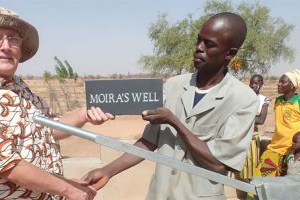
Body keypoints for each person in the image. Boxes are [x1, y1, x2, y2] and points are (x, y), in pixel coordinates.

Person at [0, 5, 114, 200]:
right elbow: (2, 163)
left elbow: (48, 130)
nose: (6, 46)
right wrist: (69, 189)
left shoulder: (20, 88)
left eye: (13, 39)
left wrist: (83, 114)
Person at [84, 12, 259, 200]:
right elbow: (149, 141)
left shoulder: (243, 99)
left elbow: (218, 164)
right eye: (198, 40)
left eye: (209, 44)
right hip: (159, 195)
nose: (198, 48)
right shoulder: (174, 85)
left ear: (230, 53)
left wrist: (175, 122)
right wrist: (108, 171)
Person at [254, 69, 300, 178]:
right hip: (275, 147)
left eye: (283, 82)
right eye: (279, 81)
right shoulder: (278, 100)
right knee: (259, 178)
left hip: (292, 149)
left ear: (292, 86)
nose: (278, 84)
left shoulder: (298, 101)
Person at [239, 74, 270, 179]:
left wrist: (244, 118)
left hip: (252, 135)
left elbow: (261, 120)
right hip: (239, 134)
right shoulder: (242, 98)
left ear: (261, 84)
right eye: (251, 83)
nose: (253, 85)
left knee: (252, 163)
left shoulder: (263, 100)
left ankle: (250, 190)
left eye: (256, 83)